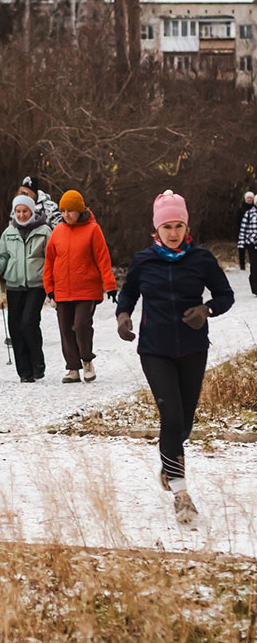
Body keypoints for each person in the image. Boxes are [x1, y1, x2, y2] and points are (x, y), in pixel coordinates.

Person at [116, 190, 234, 525]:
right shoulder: (144, 260)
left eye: (179, 225)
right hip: (155, 350)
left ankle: (169, 460)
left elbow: (225, 296)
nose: (173, 232)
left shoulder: (201, 259)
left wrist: (206, 310)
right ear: (157, 229)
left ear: (186, 226)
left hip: (193, 348)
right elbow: (128, 292)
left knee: (184, 422)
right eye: (167, 226)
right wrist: (123, 315)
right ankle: (181, 494)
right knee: (170, 418)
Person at [43, 190, 117, 384]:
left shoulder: (93, 230)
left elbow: (103, 258)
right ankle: (72, 368)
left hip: (86, 289)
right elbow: (49, 260)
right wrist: (49, 286)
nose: (66, 215)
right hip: (62, 290)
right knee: (66, 329)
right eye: (63, 211)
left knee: (81, 325)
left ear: (80, 210)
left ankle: (86, 360)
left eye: (70, 211)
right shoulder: (58, 231)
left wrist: (110, 285)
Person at [0, 194, 52, 382]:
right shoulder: (9, 233)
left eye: (25, 211)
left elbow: (52, 258)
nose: (22, 215)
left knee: (28, 323)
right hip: (14, 286)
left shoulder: (44, 231)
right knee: (15, 328)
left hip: (36, 285)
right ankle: (24, 372)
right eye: (18, 211)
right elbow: (2, 259)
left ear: (32, 211)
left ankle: (37, 362)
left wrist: (53, 283)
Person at [237, 191, 257, 295]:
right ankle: (255, 288)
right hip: (252, 244)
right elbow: (242, 229)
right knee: (254, 265)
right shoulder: (249, 214)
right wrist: (241, 243)